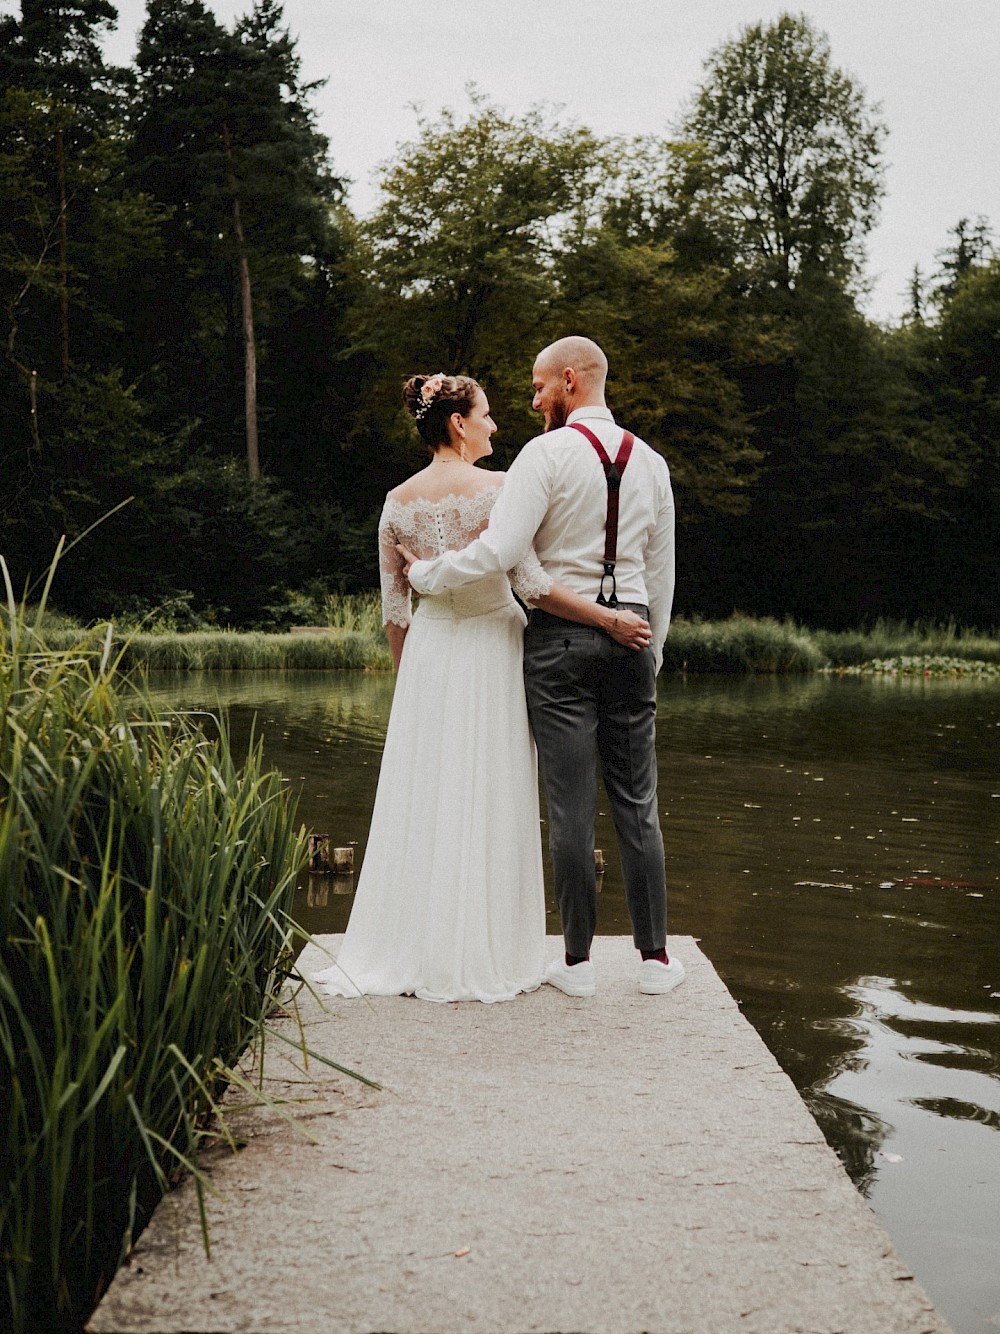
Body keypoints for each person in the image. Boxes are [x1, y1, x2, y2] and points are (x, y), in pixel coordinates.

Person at [312, 371, 650, 1004]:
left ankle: (414, 942)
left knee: (429, 795)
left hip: (431, 654)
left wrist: (408, 680)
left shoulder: (395, 501)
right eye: (487, 414)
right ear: (458, 422)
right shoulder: (500, 490)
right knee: (493, 791)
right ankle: (489, 947)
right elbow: (534, 585)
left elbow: (394, 610)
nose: (496, 424)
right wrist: (608, 618)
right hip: (495, 647)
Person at [402, 338, 682, 999]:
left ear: (570, 380)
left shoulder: (543, 457)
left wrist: (427, 572)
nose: (532, 401)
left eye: (538, 387)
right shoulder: (652, 463)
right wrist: (654, 652)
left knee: (571, 807)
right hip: (633, 637)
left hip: (558, 644)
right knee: (639, 803)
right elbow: (662, 576)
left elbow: (500, 551)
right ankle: (654, 961)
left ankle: (579, 966)